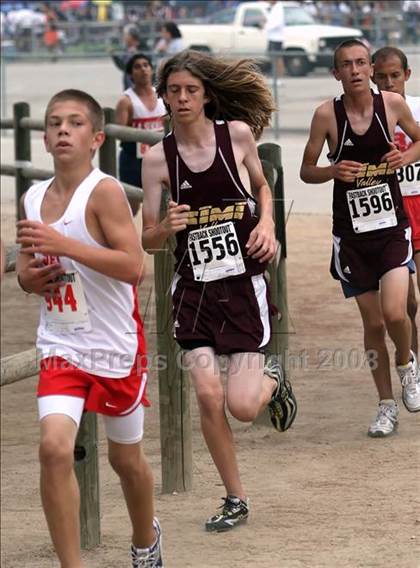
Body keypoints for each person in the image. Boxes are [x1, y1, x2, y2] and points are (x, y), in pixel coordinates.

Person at [141, 50, 297, 532]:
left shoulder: (236, 136)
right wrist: (164, 227)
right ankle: (235, 497)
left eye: (191, 90)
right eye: (173, 91)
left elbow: (262, 185)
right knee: (208, 395)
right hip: (194, 293)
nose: (182, 98)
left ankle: (273, 380)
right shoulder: (155, 159)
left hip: (243, 288)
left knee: (243, 407)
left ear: (207, 93)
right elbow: (146, 240)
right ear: (163, 97)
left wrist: (267, 221)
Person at [15, 89, 163, 568]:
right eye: (54, 122)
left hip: (114, 346)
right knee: (54, 449)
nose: (63, 130)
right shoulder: (33, 196)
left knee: (126, 462)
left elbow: (133, 266)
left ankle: (145, 539)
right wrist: (30, 279)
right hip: (61, 343)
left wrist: (66, 243)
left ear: (97, 137)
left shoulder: (105, 193)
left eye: (75, 123)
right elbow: (25, 268)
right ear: (43, 138)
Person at [300, 40, 420, 437]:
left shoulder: (392, 106)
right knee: (372, 324)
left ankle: (408, 365)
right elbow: (306, 169)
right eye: (345, 65)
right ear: (336, 73)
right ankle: (386, 404)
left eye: (360, 63)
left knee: (396, 312)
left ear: (370, 67)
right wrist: (333, 172)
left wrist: (406, 157)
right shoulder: (326, 115)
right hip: (350, 234)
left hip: (391, 227)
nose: (354, 70)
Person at [372, 46, 420, 356]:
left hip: (419, 201)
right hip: (388, 211)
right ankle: (413, 362)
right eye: (382, 77)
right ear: (372, 78)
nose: (389, 83)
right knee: (407, 303)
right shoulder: (366, 113)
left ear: (407, 75)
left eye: (395, 75)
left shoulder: (416, 107)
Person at [115, 53, 166, 215]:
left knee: (161, 204)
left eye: (146, 65)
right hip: (133, 160)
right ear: (130, 74)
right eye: (137, 67)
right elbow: (119, 133)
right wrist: (143, 136)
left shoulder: (162, 97)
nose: (143, 70)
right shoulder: (126, 101)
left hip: (159, 158)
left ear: (152, 70)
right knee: (132, 206)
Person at [110, 24, 147, 90]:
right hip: (129, 87)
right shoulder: (127, 49)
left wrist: (137, 54)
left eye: (125, 35)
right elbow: (123, 67)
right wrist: (114, 56)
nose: (123, 37)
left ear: (131, 36)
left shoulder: (143, 47)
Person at [265, 0, 285, 79]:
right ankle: (276, 78)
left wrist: (267, 27)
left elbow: (277, 23)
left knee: (278, 58)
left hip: (277, 38)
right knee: (273, 58)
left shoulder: (279, 8)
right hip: (272, 37)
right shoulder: (274, 8)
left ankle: (279, 78)